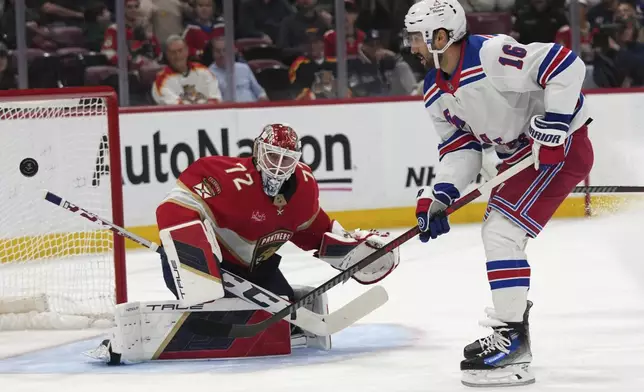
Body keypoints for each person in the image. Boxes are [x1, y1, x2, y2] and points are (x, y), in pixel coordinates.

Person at [404, 0, 594, 387]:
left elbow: (564, 63)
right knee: (500, 232)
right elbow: (461, 150)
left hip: (558, 149)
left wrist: (556, 121)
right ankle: (513, 333)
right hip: (521, 158)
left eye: (416, 38)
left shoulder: (489, 55)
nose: (412, 47)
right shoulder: (434, 89)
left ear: (439, 36)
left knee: (501, 232)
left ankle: (512, 342)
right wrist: (440, 194)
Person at [155, 124, 399, 345]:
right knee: (222, 309)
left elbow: (314, 233)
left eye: (287, 160)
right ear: (258, 151)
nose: (278, 166)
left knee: (284, 317)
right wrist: (196, 263)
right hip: (206, 266)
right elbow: (172, 208)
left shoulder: (304, 186)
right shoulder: (225, 178)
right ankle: (203, 297)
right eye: (272, 156)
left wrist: (351, 251)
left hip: (256, 268)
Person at [152, 35, 222, 105]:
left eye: (180, 50)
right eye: (173, 52)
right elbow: (177, 108)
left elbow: (216, 98)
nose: (177, 56)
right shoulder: (161, 80)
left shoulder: (203, 70)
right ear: (167, 55)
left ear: (187, 51)